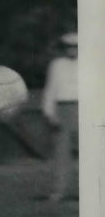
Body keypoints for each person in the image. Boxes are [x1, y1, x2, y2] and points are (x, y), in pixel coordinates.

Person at [41, 31, 79, 202]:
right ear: (64, 48)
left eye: (76, 47)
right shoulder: (56, 65)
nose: (72, 50)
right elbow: (50, 89)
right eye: (69, 47)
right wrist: (50, 113)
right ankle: (59, 191)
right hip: (62, 109)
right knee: (61, 152)